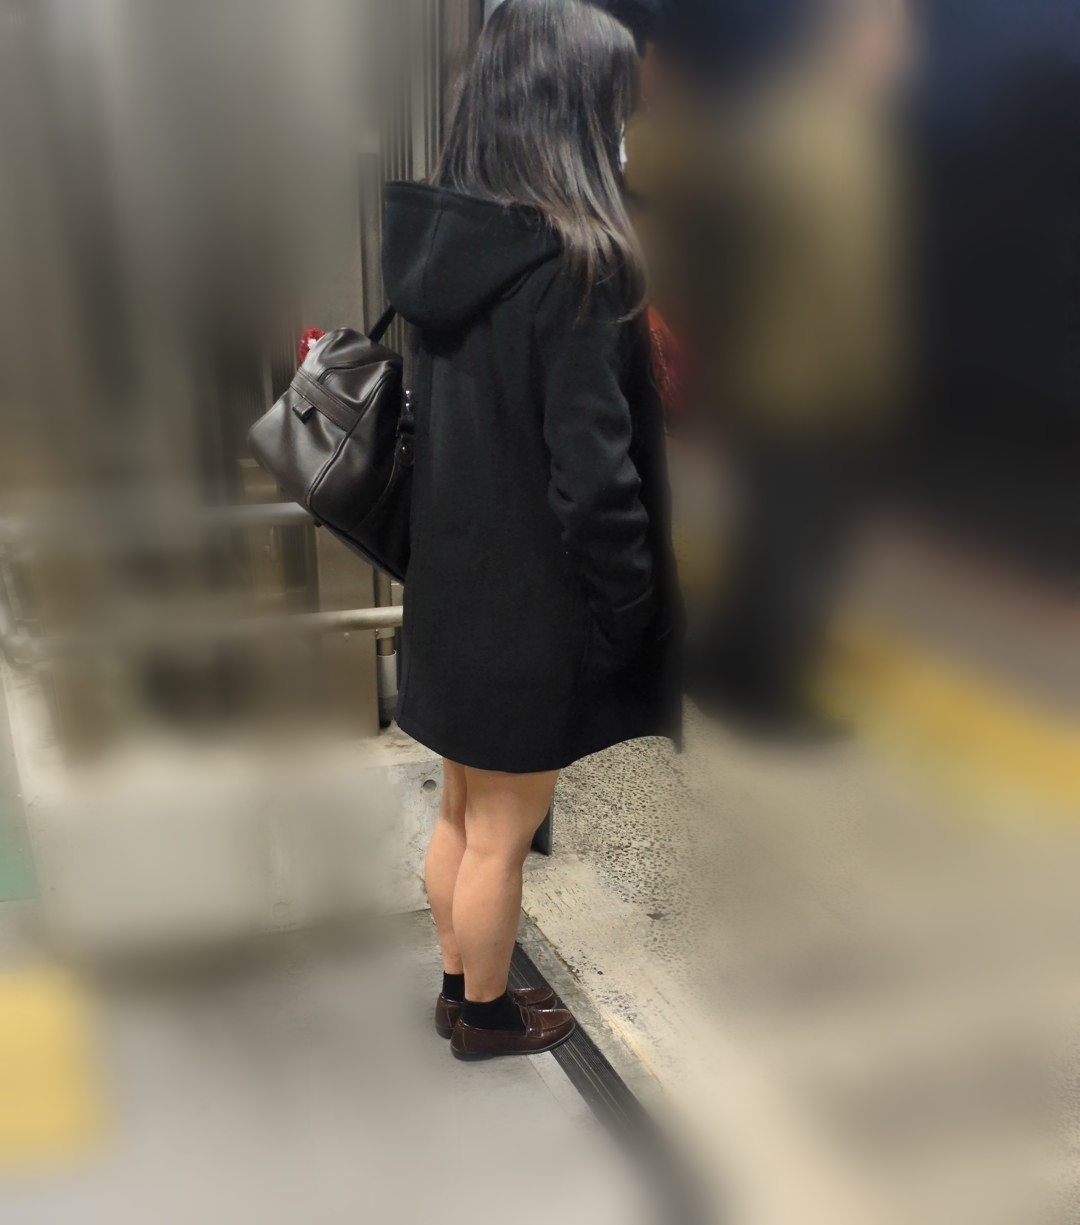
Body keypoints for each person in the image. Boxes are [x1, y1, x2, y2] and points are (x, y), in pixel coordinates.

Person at [381, 0, 682, 1062]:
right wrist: (630, 609)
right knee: (502, 837)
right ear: (572, 110)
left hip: (449, 589)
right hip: (530, 609)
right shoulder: (579, 264)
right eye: (615, 105)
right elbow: (595, 483)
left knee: (460, 814)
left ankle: (457, 987)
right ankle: (489, 1015)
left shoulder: (446, 241)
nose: (624, 126)